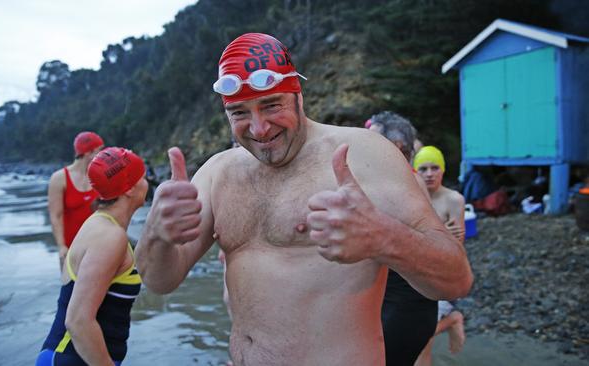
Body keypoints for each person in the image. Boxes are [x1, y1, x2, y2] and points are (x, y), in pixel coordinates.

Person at [136, 33, 473, 365]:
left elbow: (456, 279)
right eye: (239, 112)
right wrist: (156, 232)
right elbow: (160, 281)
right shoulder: (217, 173)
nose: (259, 128)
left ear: (298, 94)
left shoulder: (364, 155)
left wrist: (383, 237)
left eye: (271, 105)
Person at [36, 147, 147, 366]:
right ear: (129, 189)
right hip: (70, 358)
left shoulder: (100, 223)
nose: (147, 181)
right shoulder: (110, 237)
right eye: (142, 176)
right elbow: (78, 321)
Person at [368, 112, 438, 366]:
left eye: (370, 140)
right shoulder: (391, 179)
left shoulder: (407, 182)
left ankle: (453, 320)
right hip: (393, 300)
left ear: (395, 147)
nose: (362, 145)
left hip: (408, 307)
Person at [413, 146, 467, 366]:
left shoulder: (453, 199)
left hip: (441, 275)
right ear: (415, 172)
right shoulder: (413, 199)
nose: (429, 174)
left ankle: (452, 319)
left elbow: (456, 250)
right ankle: (452, 320)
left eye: (435, 168)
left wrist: (448, 237)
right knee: (418, 339)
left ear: (443, 170)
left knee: (419, 338)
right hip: (416, 272)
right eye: (423, 169)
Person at [48, 132, 104, 270]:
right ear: (88, 152)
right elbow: (56, 215)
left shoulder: (99, 174)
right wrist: (61, 246)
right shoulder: (59, 178)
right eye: (99, 150)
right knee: (72, 290)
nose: (102, 154)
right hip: (71, 248)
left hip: (98, 245)